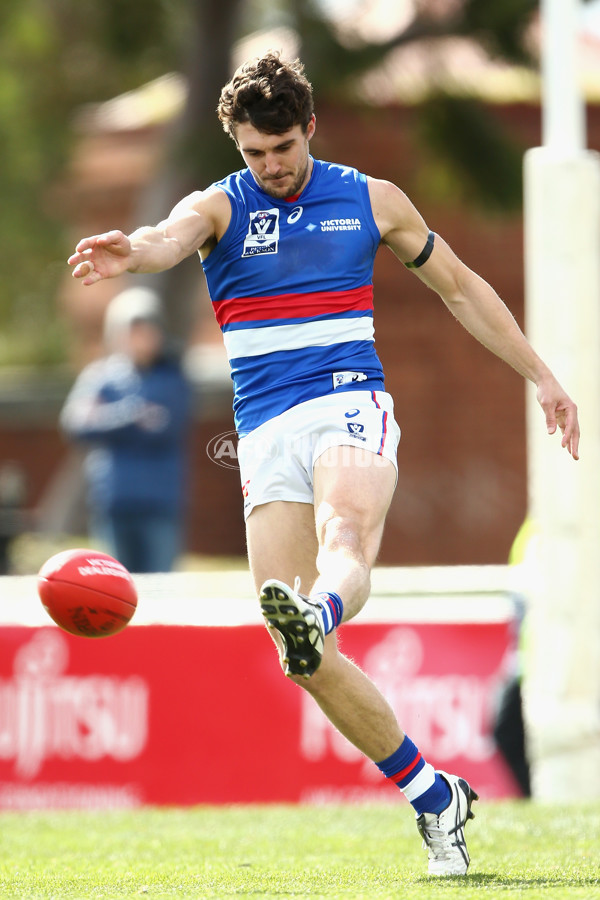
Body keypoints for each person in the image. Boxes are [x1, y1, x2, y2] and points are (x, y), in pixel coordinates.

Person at [67, 52, 579, 875]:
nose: (270, 167)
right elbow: (168, 239)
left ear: (309, 127)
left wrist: (542, 376)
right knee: (297, 657)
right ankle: (433, 796)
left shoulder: (371, 199)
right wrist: (135, 250)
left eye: (282, 149)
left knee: (345, 534)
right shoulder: (218, 206)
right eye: (253, 154)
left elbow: (461, 287)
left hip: (348, 401)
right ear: (235, 145)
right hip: (265, 431)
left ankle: (324, 613)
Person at [60, 286, 191, 573]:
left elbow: (164, 428)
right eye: (131, 331)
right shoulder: (101, 377)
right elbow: (77, 424)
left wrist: (106, 419)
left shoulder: (172, 377)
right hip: (113, 501)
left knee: (159, 592)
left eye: (146, 330)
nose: (140, 339)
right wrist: (131, 415)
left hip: (159, 502)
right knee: (115, 590)